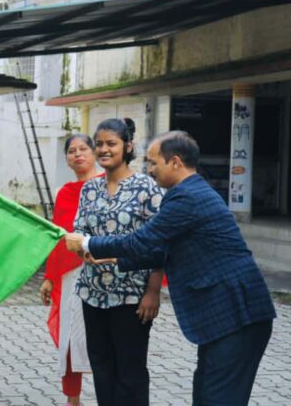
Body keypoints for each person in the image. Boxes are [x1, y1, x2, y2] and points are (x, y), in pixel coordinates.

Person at [65, 130, 276, 406]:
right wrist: (114, 260)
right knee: (206, 394)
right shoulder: (186, 193)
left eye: (154, 163)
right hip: (224, 318)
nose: (150, 169)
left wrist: (89, 243)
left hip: (238, 314)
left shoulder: (187, 198)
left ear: (175, 162)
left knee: (217, 398)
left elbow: (142, 240)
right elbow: (161, 250)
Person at [72, 118, 164, 406]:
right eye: (99, 144)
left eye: (111, 143)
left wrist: (153, 291)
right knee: (102, 367)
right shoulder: (89, 189)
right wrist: (80, 249)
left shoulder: (146, 187)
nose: (103, 149)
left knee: (130, 370)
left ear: (127, 146)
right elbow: (79, 233)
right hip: (92, 292)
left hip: (132, 295)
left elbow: (160, 243)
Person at [39, 134, 98, 406]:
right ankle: (72, 399)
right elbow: (58, 238)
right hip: (69, 275)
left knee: (100, 338)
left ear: (94, 153)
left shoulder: (106, 186)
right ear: (67, 159)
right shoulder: (64, 193)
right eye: (72, 151)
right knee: (70, 338)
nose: (77, 154)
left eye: (83, 148)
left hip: (101, 271)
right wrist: (50, 278)